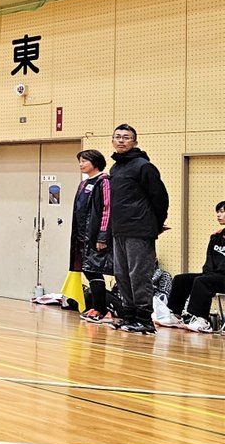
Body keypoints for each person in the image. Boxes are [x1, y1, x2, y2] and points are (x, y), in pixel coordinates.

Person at [107, 124, 168, 334]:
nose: (121, 140)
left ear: (135, 142)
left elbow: (160, 198)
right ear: (112, 140)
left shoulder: (144, 166)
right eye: (117, 137)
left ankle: (144, 319)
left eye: (126, 137)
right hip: (119, 230)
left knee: (138, 274)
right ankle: (129, 316)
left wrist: (156, 225)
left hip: (139, 230)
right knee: (121, 274)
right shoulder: (115, 168)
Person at [157, 201, 225, 332]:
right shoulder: (216, 236)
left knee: (202, 281)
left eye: (222, 212)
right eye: (218, 212)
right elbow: (209, 260)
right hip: (214, 276)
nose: (218, 215)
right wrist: (208, 272)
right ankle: (175, 315)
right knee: (181, 279)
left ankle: (203, 320)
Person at [70, 150, 114, 324]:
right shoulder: (83, 184)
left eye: (84, 161)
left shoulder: (104, 181)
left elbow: (107, 209)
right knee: (87, 270)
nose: (81, 164)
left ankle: (102, 310)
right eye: (80, 161)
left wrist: (102, 236)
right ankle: (95, 307)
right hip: (82, 236)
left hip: (96, 236)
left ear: (95, 162)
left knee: (94, 270)